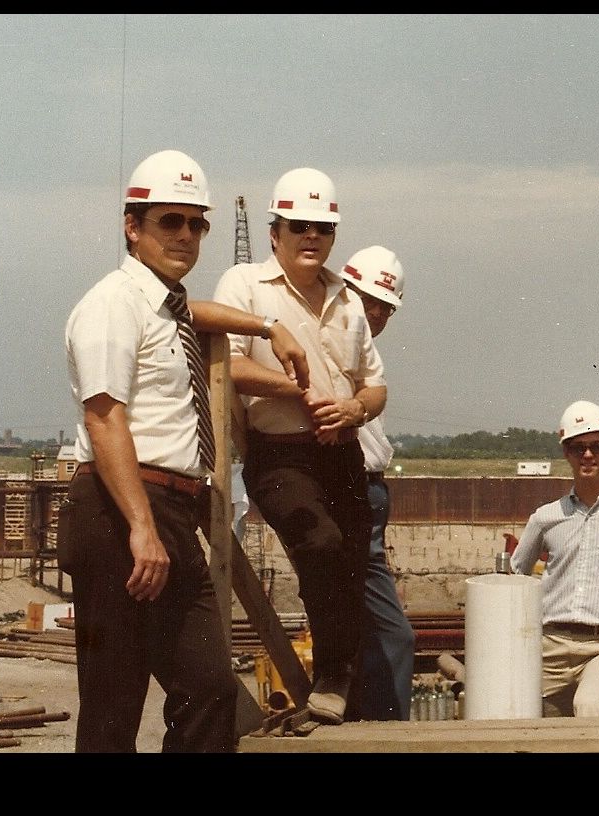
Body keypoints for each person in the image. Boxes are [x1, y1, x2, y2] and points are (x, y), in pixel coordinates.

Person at [61, 149, 311, 752]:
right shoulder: (111, 304)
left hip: (169, 511)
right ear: (132, 225)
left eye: (197, 223)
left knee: (211, 691)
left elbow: (189, 311)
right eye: (169, 220)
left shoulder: (163, 304)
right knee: (113, 706)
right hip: (121, 508)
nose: (186, 235)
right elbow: (104, 417)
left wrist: (266, 327)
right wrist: (140, 528)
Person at [213, 168, 387, 726]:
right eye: (299, 226)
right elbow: (230, 366)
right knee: (319, 542)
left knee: (351, 571)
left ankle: (339, 696)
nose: (312, 237)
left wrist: (354, 409)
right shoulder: (244, 287)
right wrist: (299, 390)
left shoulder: (347, 299)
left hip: (343, 454)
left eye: (323, 228)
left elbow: (374, 384)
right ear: (275, 233)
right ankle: (333, 680)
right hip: (279, 453)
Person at [510, 400, 599, 717]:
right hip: (551, 647)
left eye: (596, 447)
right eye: (578, 448)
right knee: (510, 708)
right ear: (566, 453)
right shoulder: (546, 518)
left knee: (590, 705)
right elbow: (513, 579)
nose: (588, 455)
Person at [338, 245, 416, 721]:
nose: (374, 313)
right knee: (393, 637)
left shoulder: (366, 360)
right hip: (351, 491)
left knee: (358, 631)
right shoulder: (329, 348)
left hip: (367, 496)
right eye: (365, 300)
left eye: (384, 306)